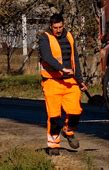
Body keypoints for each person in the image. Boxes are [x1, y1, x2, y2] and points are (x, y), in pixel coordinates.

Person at [38, 13, 87, 156]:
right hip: (52, 81)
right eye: (55, 27)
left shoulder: (70, 36)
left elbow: (75, 59)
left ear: (63, 25)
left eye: (60, 27)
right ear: (50, 26)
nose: (58, 30)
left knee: (75, 111)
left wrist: (80, 80)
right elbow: (46, 56)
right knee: (54, 116)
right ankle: (53, 145)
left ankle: (68, 130)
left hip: (70, 81)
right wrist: (61, 68)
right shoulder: (44, 37)